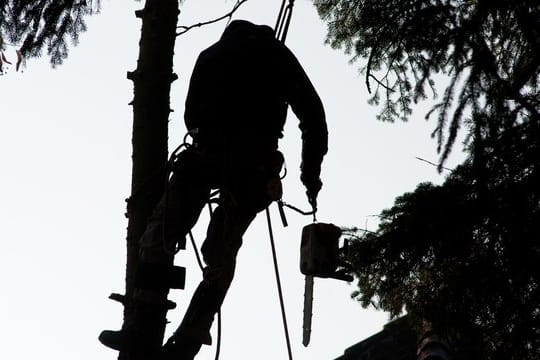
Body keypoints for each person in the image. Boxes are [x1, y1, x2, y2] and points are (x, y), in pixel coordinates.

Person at [99, 19, 328, 359]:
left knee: (159, 237)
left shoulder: (212, 54)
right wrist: (310, 176)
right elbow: (313, 117)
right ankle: (189, 339)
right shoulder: (278, 56)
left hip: (208, 157)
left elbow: (192, 116)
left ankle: (141, 327)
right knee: (219, 254)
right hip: (253, 169)